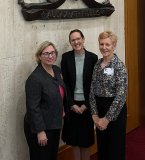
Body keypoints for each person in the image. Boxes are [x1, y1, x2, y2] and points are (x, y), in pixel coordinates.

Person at [24, 41, 68, 160]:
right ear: (39, 56)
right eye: (46, 53)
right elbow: (33, 107)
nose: (50, 56)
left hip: (54, 123)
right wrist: (40, 131)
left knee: (52, 155)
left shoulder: (57, 70)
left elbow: (60, 93)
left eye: (52, 53)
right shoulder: (35, 78)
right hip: (41, 127)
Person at [90, 31, 128, 160]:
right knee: (103, 147)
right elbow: (92, 90)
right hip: (100, 109)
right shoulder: (97, 64)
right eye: (101, 44)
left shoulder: (119, 66)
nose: (104, 47)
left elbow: (121, 96)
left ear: (114, 46)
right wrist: (95, 115)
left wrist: (106, 119)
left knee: (115, 148)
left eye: (107, 44)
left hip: (115, 111)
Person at [61, 29, 98, 160]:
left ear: (83, 39)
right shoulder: (66, 58)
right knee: (74, 141)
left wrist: (86, 105)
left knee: (86, 141)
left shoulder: (93, 58)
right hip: (72, 106)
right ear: (70, 42)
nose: (76, 42)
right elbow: (64, 83)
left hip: (87, 105)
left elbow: (95, 84)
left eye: (78, 39)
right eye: (73, 40)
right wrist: (71, 104)